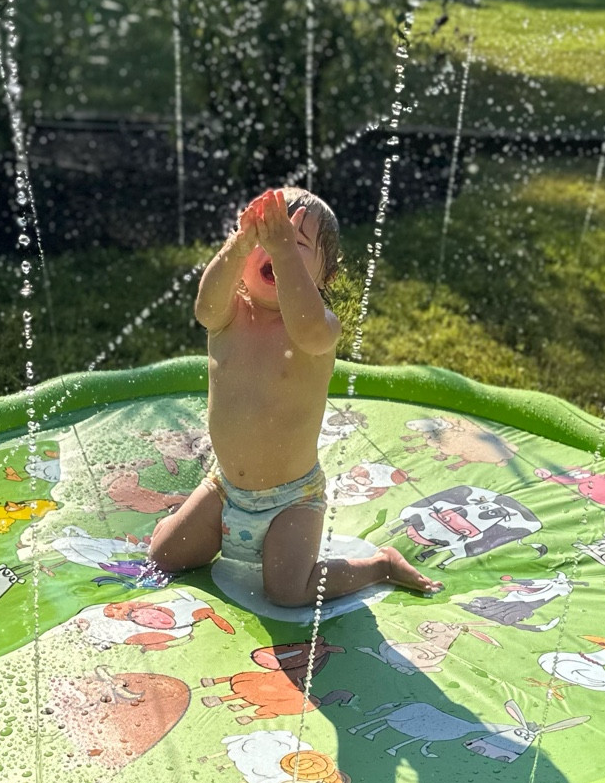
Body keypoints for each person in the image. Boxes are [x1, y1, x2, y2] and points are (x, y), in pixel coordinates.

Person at [148, 187, 439, 606]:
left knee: (287, 591)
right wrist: (240, 242)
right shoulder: (227, 316)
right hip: (225, 489)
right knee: (163, 557)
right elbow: (203, 307)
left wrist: (280, 253)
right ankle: (176, 524)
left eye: (296, 243)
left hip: (292, 501)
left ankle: (380, 565)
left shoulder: (318, 328)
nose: (277, 247)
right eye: (264, 239)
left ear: (326, 278)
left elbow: (306, 327)